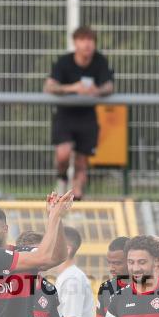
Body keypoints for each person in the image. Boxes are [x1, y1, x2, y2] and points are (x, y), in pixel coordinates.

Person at [44, 25, 114, 200]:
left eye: (90, 40)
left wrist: (97, 91)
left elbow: (109, 85)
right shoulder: (64, 62)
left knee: (82, 163)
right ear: (75, 43)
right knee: (63, 154)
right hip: (65, 116)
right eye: (82, 40)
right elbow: (49, 86)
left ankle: (76, 201)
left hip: (87, 117)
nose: (87, 44)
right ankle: (61, 179)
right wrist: (73, 88)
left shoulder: (100, 61)